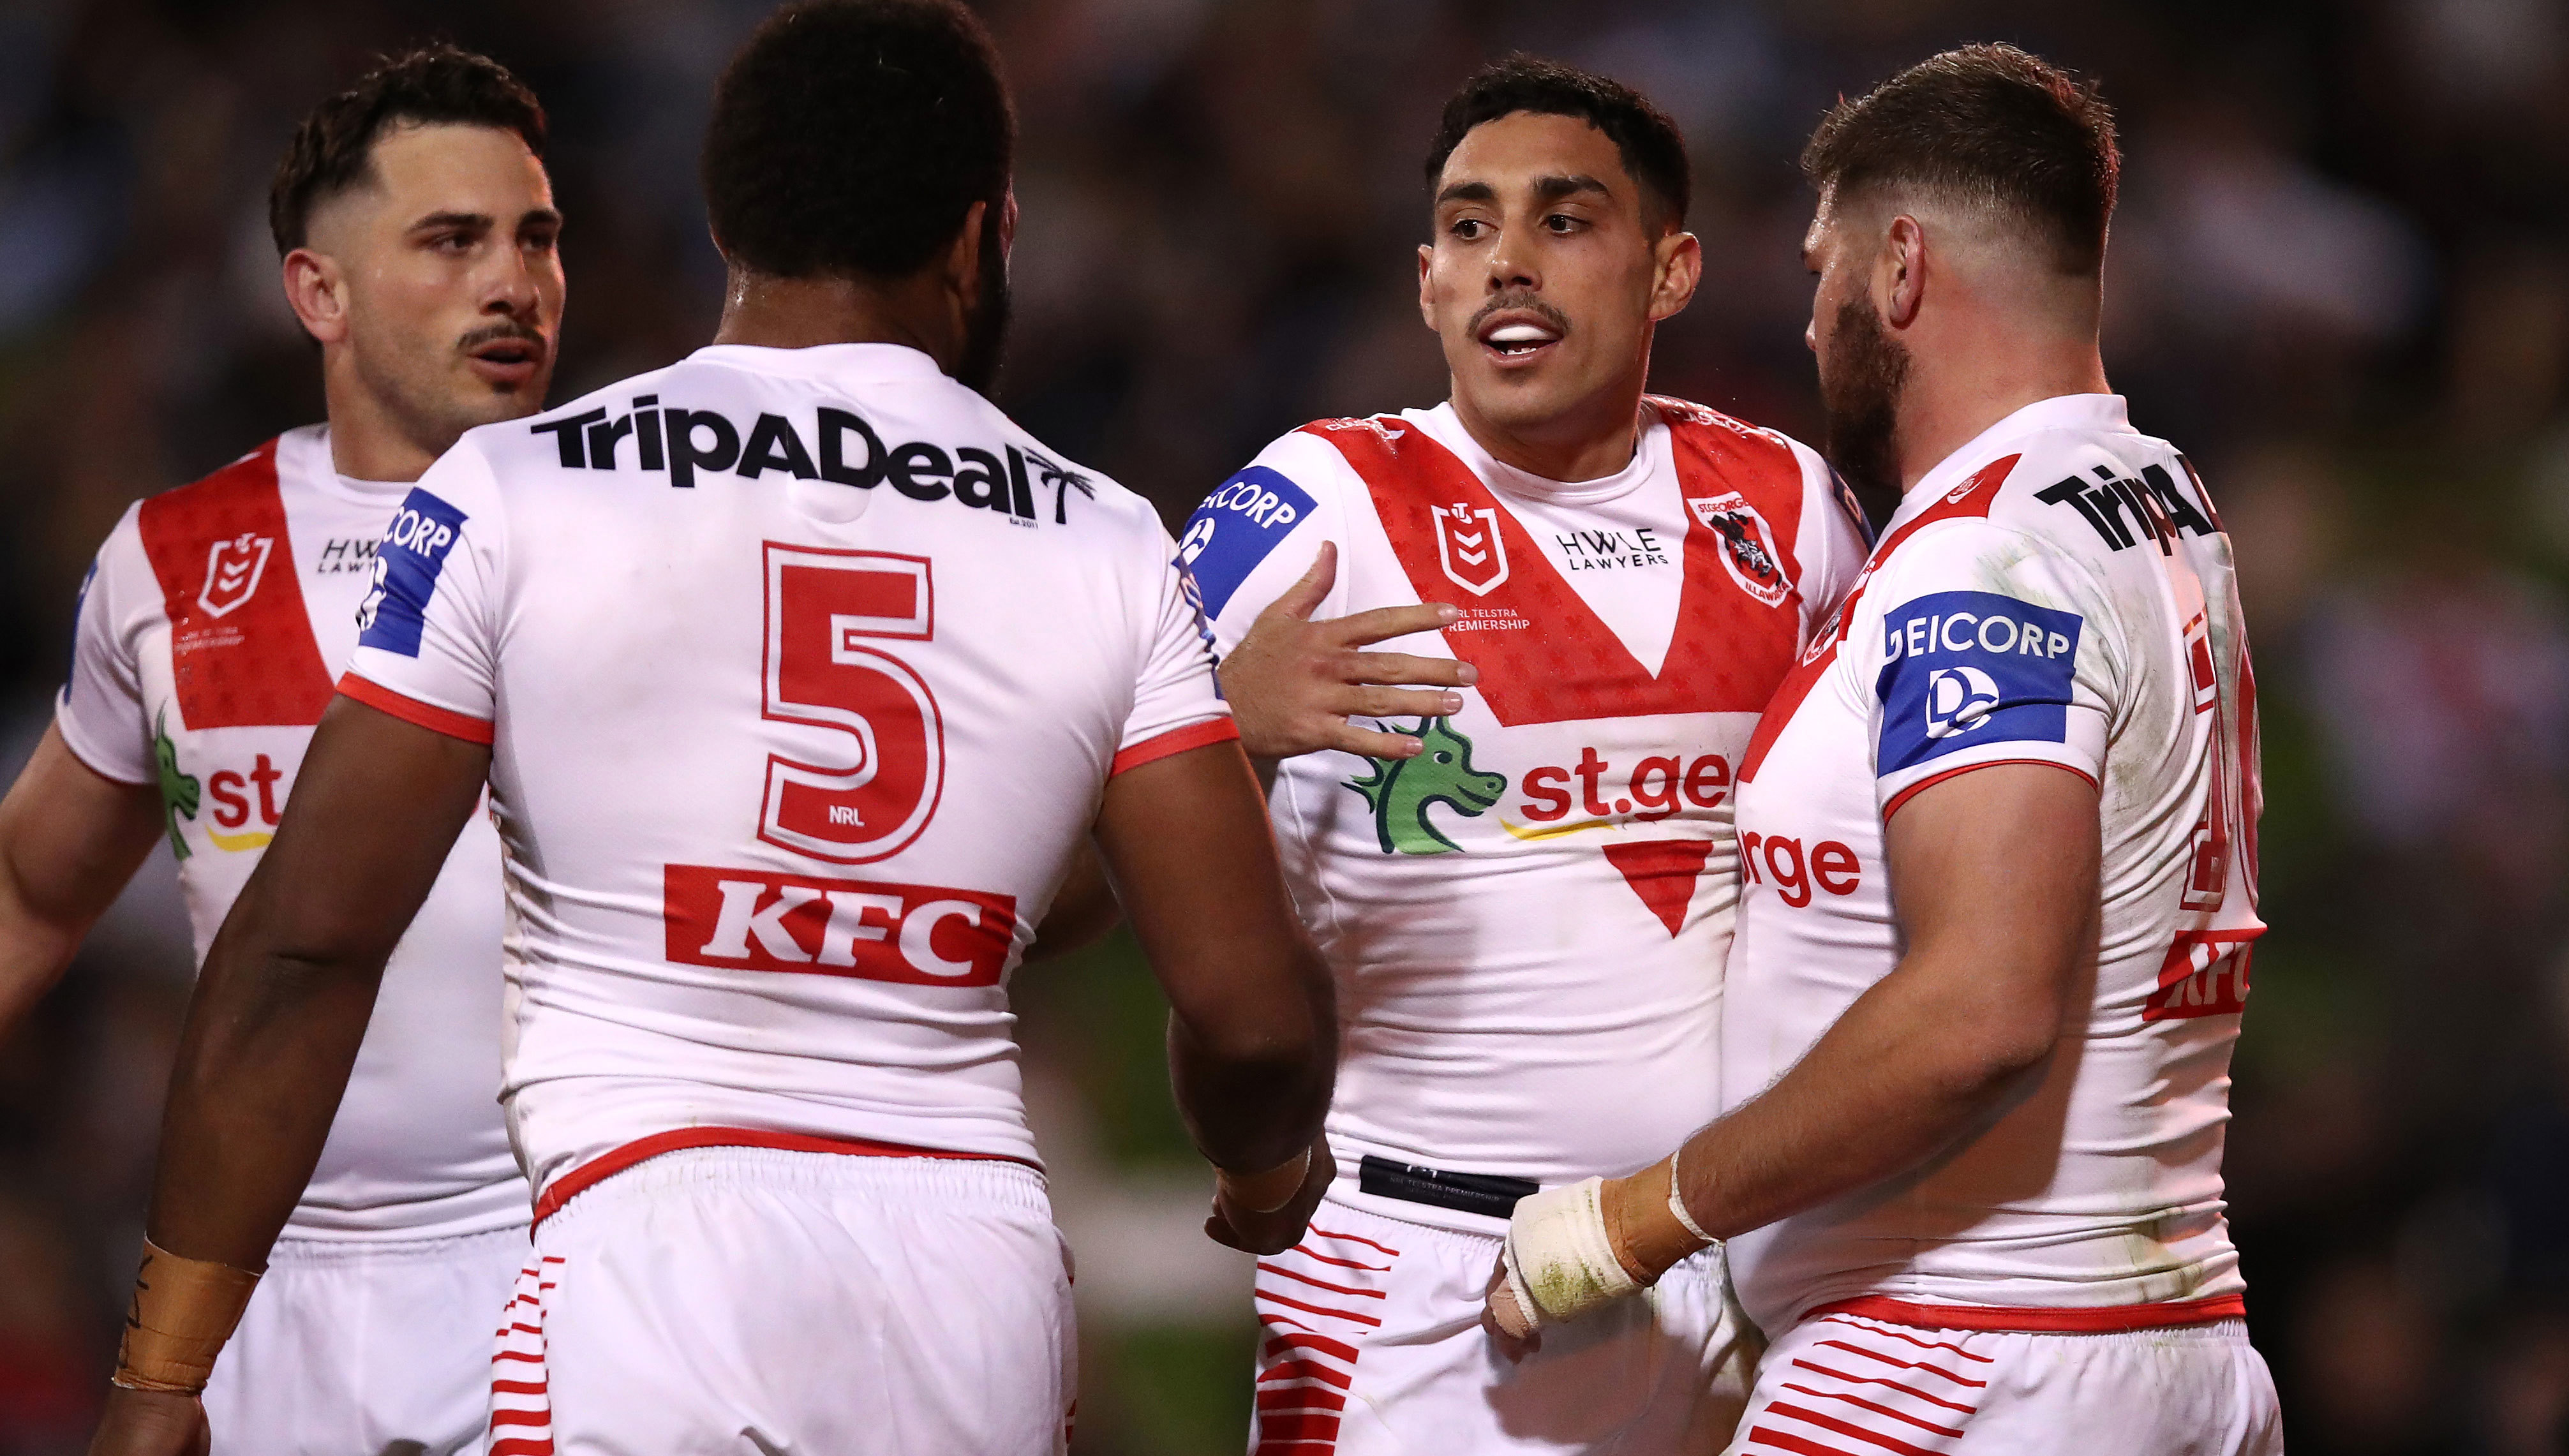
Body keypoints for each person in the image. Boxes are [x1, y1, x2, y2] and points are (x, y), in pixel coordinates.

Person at [84, 3, 1339, 1453]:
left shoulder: (519, 489)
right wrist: (1260, 1184)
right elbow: (1245, 1014)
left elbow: (302, 949)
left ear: (723, 224)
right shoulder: (1106, 537)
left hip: (645, 1254)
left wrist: (163, 1376)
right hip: (964, 1273)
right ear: (980, 237)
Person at [1482, 45, 2284, 1453]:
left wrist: (1638, 1215)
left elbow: (1980, 1005)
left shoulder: (1980, 560)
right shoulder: (2155, 499)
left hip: (1963, 1354)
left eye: (1818, 271)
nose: (1807, 322)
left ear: (1898, 268)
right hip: (2166, 1343)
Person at [1171, 56, 1867, 1455]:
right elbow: (1059, 831)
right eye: (1469, 228)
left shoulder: (1788, 509)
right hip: (1413, 1278)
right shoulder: (1306, 502)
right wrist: (1212, 725)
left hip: (1711, 1264)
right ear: (1424, 279)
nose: (1507, 265)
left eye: (1562, 221)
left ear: (1668, 271)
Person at [0, 46, 560, 1455]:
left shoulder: (632, 532)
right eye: (452, 240)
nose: (515, 282)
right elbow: (32, 893)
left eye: (536, 237)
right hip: (259, 1291)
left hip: (566, 1254)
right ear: (320, 292)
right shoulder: (174, 560)